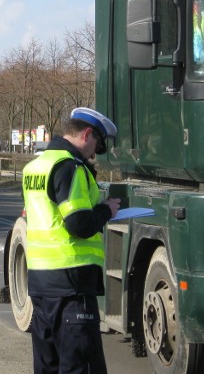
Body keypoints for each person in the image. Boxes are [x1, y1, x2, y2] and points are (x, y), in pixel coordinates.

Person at [22, 107, 121, 374]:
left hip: (41, 282)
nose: (93, 154)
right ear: (87, 134)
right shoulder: (71, 167)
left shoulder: (35, 167)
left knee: (48, 365)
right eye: (96, 146)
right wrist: (106, 210)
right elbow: (78, 224)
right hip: (71, 285)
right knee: (80, 366)